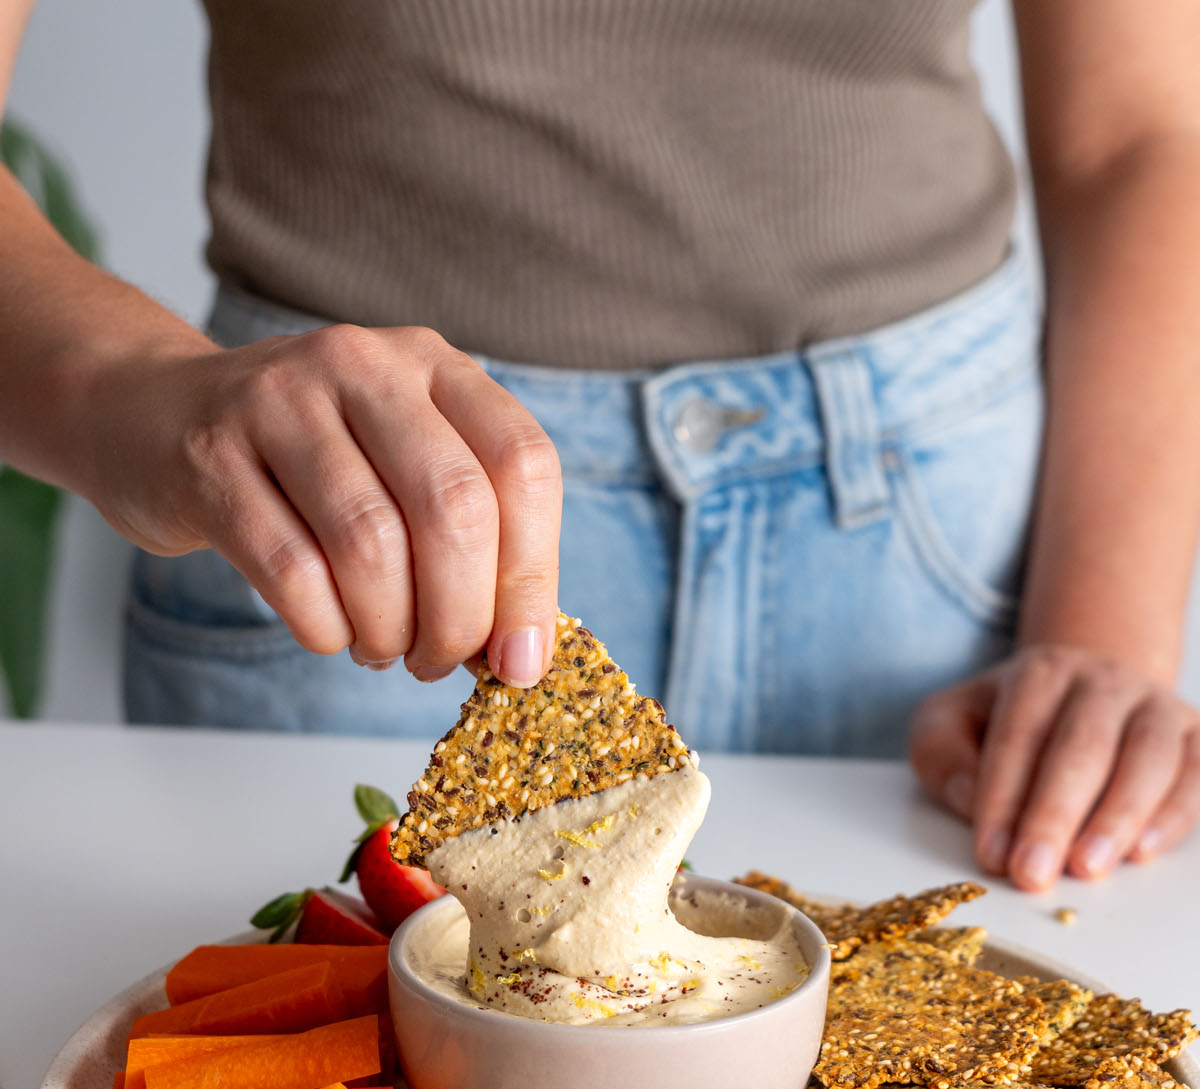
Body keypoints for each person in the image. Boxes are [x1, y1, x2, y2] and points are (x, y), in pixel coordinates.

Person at [2, 0, 1199, 894]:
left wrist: (1102, 635)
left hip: (928, 560)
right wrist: (135, 387)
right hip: (355, 517)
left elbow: (1142, 132)